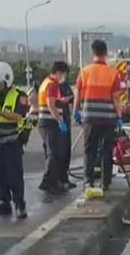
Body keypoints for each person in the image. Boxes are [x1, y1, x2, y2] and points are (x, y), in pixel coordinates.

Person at [0, 61, 29, 218]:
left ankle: (20, 204)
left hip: (11, 143)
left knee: (14, 175)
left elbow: (18, 117)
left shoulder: (19, 96)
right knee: (0, 174)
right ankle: (4, 202)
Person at [76, 40, 124, 189]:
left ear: (93, 53)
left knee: (89, 149)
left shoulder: (84, 71)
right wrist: (119, 116)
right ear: (106, 53)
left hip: (89, 118)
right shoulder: (113, 73)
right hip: (108, 119)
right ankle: (105, 182)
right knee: (106, 150)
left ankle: (88, 181)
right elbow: (116, 98)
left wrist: (77, 112)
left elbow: (78, 94)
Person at [37, 61, 70, 198]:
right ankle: (47, 182)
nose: (64, 77)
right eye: (63, 74)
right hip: (50, 123)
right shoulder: (51, 84)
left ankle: (53, 181)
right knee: (53, 153)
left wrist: (61, 101)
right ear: (58, 73)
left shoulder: (46, 82)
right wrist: (60, 120)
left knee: (53, 152)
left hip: (46, 123)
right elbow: (50, 105)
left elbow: (52, 101)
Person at [57, 79, 77, 190]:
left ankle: (64, 178)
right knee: (61, 152)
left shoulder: (64, 86)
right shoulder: (53, 86)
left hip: (65, 120)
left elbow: (71, 98)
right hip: (59, 121)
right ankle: (59, 179)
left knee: (66, 151)